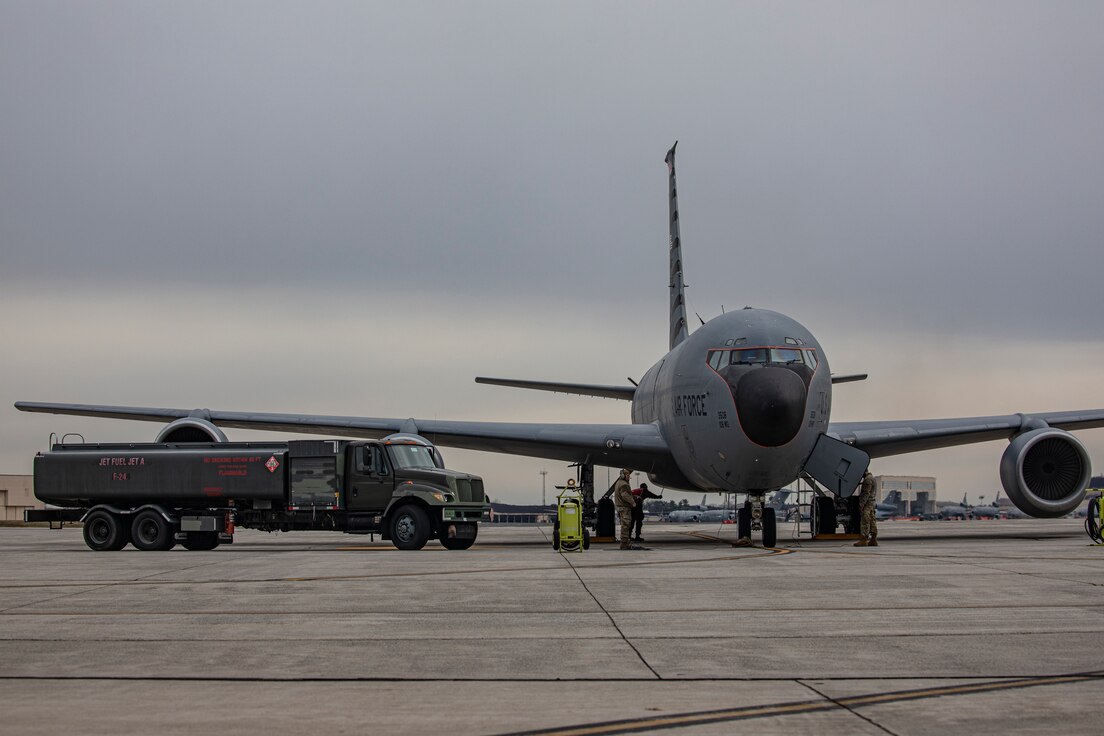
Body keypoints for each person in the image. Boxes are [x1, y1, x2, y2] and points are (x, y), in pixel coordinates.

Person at [611, 468, 637, 550]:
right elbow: (625, 495)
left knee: (624, 524)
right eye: (628, 475)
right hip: (624, 507)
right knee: (626, 524)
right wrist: (633, 502)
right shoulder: (624, 484)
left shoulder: (618, 483)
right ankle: (624, 543)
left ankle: (625, 542)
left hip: (620, 506)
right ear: (623, 476)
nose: (629, 477)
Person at [854, 470, 878, 547]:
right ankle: (873, 539)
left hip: (867, 503)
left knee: (865, 520)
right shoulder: (873, 478)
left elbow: (866, 493)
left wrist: (861, 504)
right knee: (872, 520)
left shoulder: (867, 480)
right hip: (872, 503)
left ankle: (863, 539)